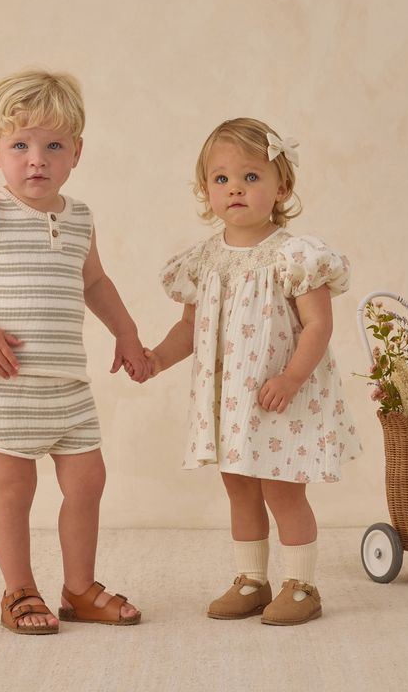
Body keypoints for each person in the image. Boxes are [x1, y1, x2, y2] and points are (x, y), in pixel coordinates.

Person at [0, 69, 147, 634]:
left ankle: (79, 588)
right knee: (15, 488)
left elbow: (95, 282)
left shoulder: (80, 218)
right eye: (20, 146)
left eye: (53, 146)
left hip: (68, 383)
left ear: (76, 153)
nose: (36, 160)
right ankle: (19, 590)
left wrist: (126, 333)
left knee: (88, 481)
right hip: (6, 381)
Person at [145, 118, 361, 625]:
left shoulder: (294, 255)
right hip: (231, 401)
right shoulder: (203, 259)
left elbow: (318, 325)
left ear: (281, 187)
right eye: (221, 179)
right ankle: (251, 580)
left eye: (251, 177)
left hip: (280, 395)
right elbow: (191, 326)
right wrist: (156, 359)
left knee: (281, 488)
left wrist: (291, 378)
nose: (235, 189)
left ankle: (302, 585)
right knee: (239, 486)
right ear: (206, 190)